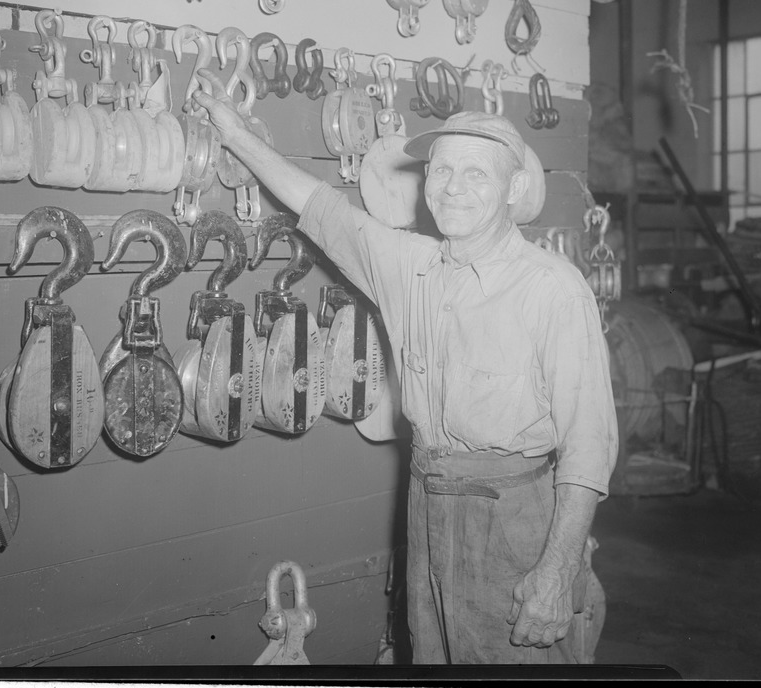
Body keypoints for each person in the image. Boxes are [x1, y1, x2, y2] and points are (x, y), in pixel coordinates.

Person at [192, 71, 619, 665]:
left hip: (517, 522)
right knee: (432, 661)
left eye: (477, 173)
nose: (452, 188)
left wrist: (556, 570)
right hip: (427, 505)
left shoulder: (552, 289)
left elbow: (588, 449)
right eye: (441, 170)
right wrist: (236, 135)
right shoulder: (408, 264)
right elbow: (319, 205)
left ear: (515, 186)